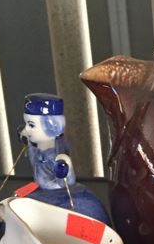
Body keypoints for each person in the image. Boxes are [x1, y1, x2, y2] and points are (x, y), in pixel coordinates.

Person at [18, 93, 111, 225]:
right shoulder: (35, 147)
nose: (26, 129)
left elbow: (66, 181)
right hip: (41, 191)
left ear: (50, 126)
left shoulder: (58, 156)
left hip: (60, 195)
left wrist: (63, 167)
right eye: (26, 123)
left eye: (31, 125)